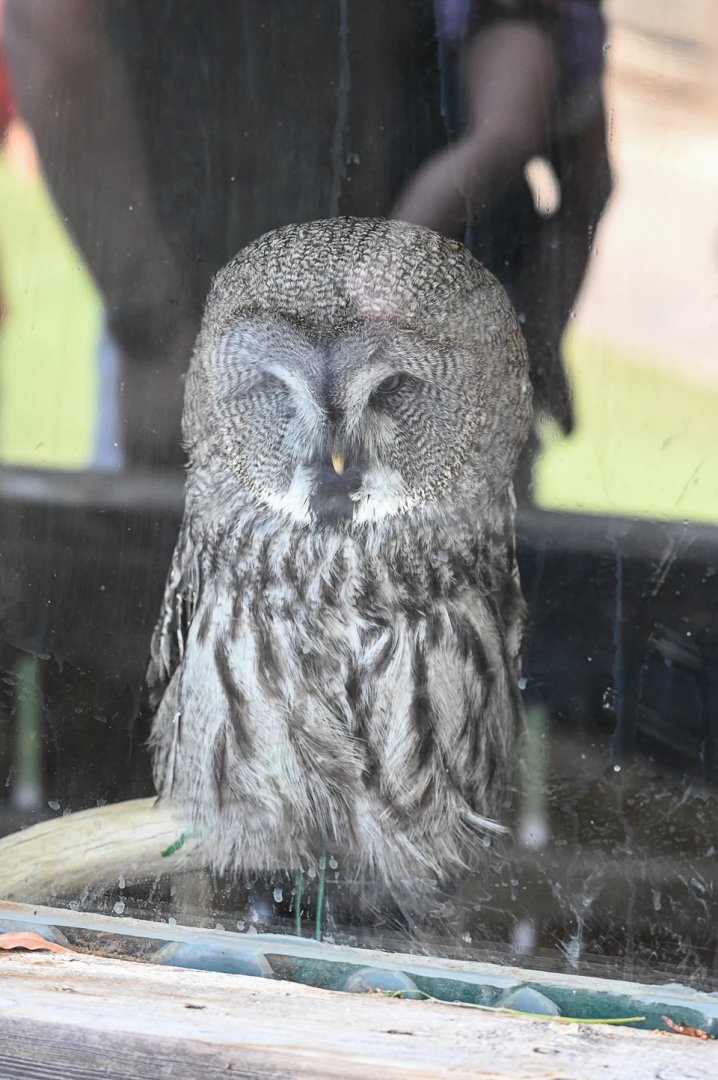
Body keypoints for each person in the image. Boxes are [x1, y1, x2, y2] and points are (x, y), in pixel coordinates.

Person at [393, 0, 612, 440]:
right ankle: (376, 293)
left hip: (571, 20)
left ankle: (544, 342)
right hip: (514, 12)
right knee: (504, 139)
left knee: (591, 187)